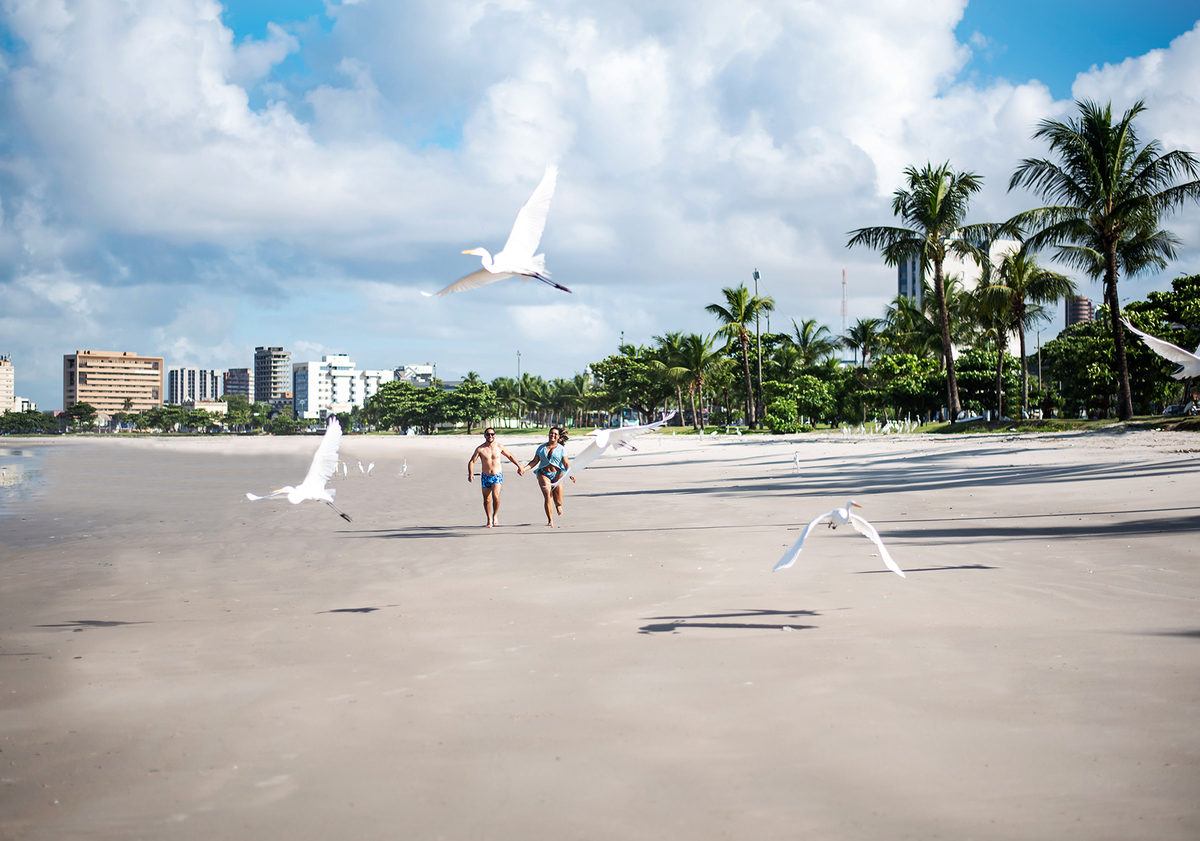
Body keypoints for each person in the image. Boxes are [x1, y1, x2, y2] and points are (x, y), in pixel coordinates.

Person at [468, 428, 525, 527]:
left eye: (492, 434)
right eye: (488, 434)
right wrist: (470, 473)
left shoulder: (499, 447)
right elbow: (472, 461)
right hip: (485, 476)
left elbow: (510, 456)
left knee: (496, 496)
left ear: (495, 435)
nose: (490, 436)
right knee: (486, 499)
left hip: (497, 475)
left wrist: (519, 466)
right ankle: (489, 519)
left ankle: (495, 515)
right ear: (485, 436)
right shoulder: (480, 449)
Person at [524, 427, 574, 527]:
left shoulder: (561, 449)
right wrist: (524, 469)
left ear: (558, 436)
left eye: (555, 434)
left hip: (558, 474)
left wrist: (570, 473)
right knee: (547, 495)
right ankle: (550, 520)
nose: (553, 435)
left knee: (558, 500)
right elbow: (534, 461)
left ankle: (558, 505)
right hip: (543, 473)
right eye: (551, 433)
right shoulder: (541, 448)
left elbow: (566, 463)